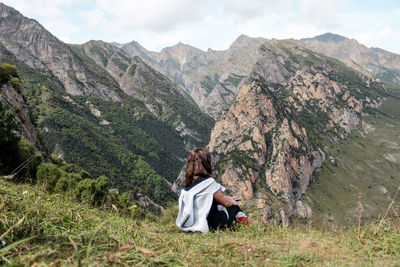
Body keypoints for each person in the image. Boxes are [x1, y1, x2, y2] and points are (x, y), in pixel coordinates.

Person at [175, 147, 249, 233]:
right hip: (210, 225)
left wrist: (228, 198)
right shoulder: (208, 183)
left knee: (221, 206)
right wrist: (233, 202)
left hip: (190, 225)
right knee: (235, 207)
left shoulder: (188, 185)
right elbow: (226, 203)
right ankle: (246, 230)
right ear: (206, 164)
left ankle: (233, 229)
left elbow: (206, 199)